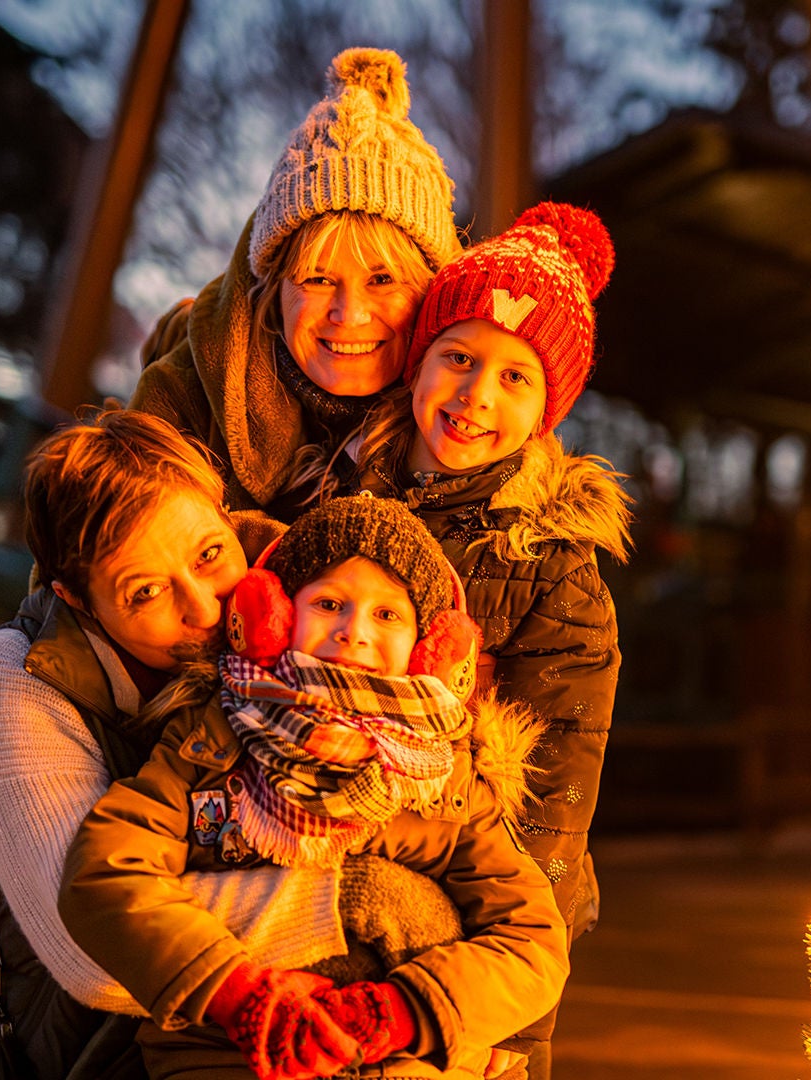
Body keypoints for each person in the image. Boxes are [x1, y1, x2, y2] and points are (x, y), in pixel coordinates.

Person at [0, 411, 461, 1080]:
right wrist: (355, 900)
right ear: (77, 599)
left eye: (209, 554)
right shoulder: (14, 678)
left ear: (224, 514)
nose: (205, 609)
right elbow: (89, 950)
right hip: (65, 1056)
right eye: (146, 592)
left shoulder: (312, 604)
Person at [60, 496, 566, 1080]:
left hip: (403, 1054)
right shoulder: (207, 742)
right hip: (228, 1052)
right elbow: (106, 874)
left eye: (387, 614)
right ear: (273, 617)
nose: (354, 632)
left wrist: (401, 1012)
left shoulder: (447, 775)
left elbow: (530, 937)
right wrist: (238, 994)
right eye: (329, 604)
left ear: (430, 647)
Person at [348, 203, 633, 1074]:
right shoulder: (342, 498)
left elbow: (555, 803)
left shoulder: (552, 569)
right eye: (459, 358)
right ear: (419, 361)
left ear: (548, 409)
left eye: (516, 377)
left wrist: (514, 1026)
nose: (476, 395)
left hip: (470, 892)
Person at [132, 47, 461, 521]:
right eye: (318, 278)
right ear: (273, 290)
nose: (349, 314)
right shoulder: (184, 397)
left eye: (382, 279)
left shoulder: (478, 415)